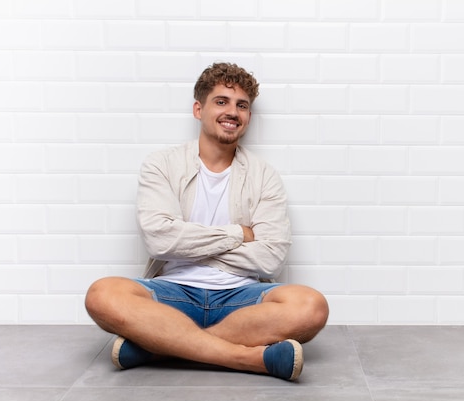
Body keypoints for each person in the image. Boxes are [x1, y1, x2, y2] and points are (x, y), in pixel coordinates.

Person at [85, 62, 329, 381]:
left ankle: (160, 347)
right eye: (221, 101)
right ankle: (245, 358)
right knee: (102, 294)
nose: (233, 111)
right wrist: (239, 234)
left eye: (242, 105)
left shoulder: (264, 175)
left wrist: (186, 243)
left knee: (312, 306)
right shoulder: (161, 164)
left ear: (249, 117)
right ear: (198, 109)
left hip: (240, 297)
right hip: (173, 292)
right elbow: (160, 241)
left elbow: (270, 258)